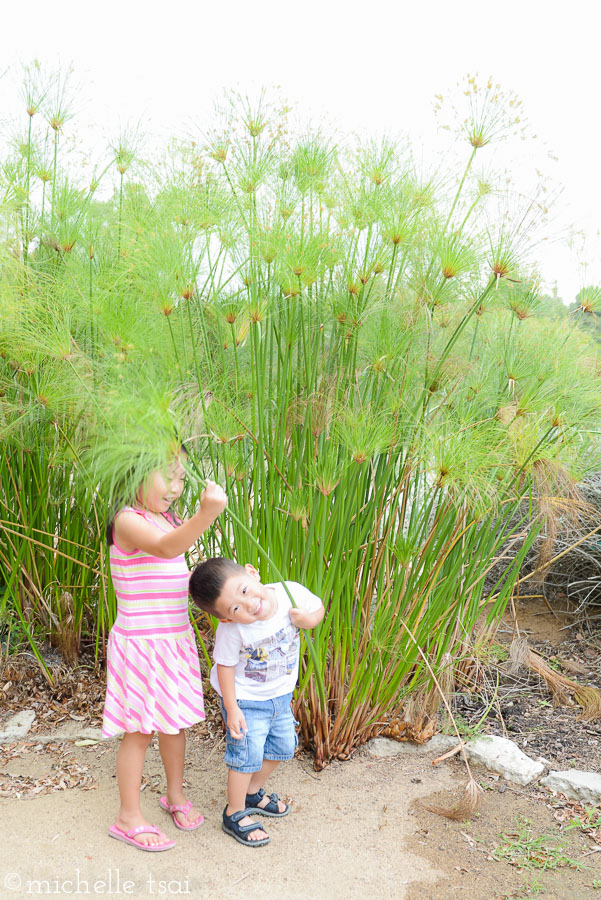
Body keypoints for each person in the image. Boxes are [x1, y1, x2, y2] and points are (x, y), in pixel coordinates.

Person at [102, 450, 227, 852]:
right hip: (141, 646)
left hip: (174, 642)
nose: (176, 488)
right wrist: (206, 514)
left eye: (182, 480)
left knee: (174, 724)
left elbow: (174, 577)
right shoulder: (128, 521)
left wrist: (227, 595)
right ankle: (127, 817)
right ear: (134, 470)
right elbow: (165, 550)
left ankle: (174, 795)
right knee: (139, 731)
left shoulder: (167, 518)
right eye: (168, 477)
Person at [189, 557, 324, 847]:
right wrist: (233, 707)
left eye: (245, 590)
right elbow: (224, 666)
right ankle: (234, 812)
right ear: (226, 618)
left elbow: (317, 607)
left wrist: (309, 620)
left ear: (251, 573)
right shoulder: (232, 630)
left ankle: (252, 792)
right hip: (246, 701)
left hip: (281, 695)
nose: (248, 604)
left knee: (284, 746)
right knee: (244, 757)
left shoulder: (289, 593)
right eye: (235, 607)